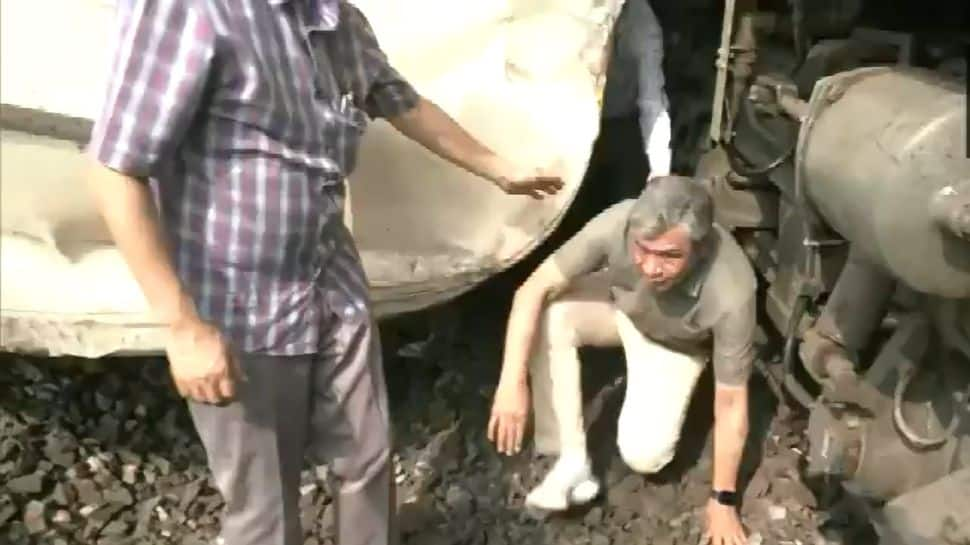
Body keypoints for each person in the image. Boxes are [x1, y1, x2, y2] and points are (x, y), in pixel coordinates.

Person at [84, 1, 562, 545]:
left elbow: (399, 99)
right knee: (263, 507)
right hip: (235, 300)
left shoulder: (339, 21)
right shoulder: (190, 11)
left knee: (368, 456)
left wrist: (500, 169)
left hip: (329, 277)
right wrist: (183, 327)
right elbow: (114, 170)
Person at [488, 176, 756, 545]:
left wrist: (722, 500)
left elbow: (731, 404)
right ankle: (570, 459)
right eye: (642, 249)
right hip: (622, 309)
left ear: (701, 249)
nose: (650, 267)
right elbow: (532, 289)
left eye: (670, 256)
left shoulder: (731, 289)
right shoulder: (616, 222)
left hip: (674, 345)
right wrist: (511, 383)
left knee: (645, 456)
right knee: (552, 314)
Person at [598, 0, 672, 200]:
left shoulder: (640, 22)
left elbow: (652, 100)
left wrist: (659, 169)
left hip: (619, 124)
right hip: (568, 125)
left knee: (624, 203)